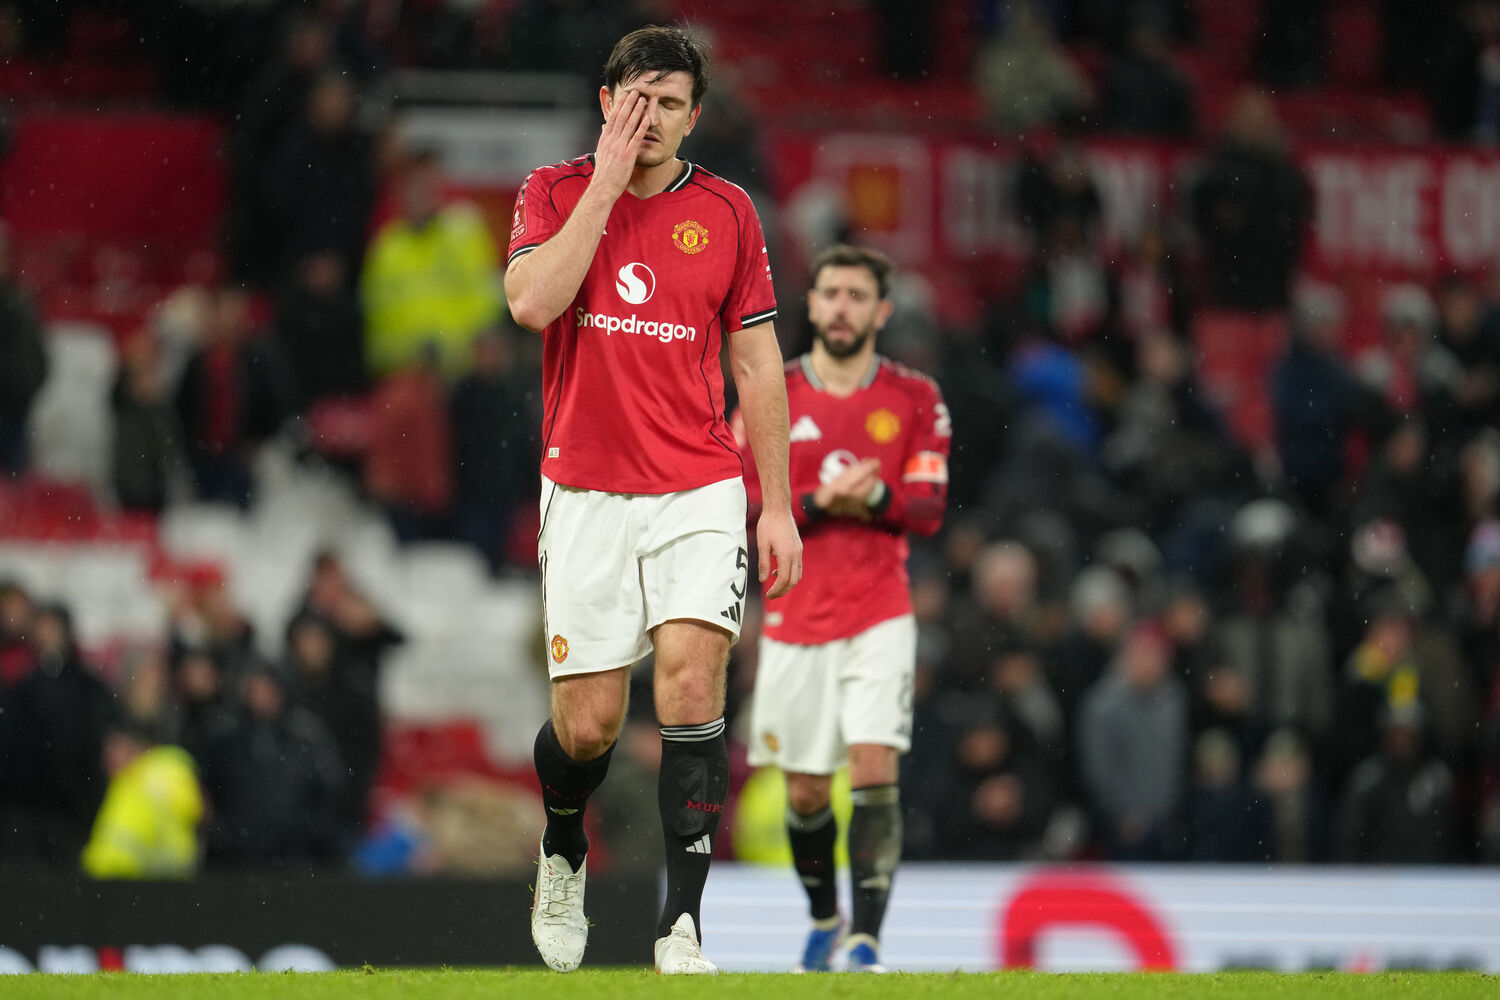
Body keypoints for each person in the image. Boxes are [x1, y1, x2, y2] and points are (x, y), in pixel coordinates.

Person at [503, 26, 802, 975]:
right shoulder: (552, 191)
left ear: (695, 116)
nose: (653, 119)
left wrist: (776, 504)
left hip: (698, 486)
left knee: (690, 685)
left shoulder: (729, 211)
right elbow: (530, 304)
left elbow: (757, 362)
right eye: (638, 101)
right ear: (607, 102)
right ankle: (563, 841)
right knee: (589, 726)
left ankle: (682, 924)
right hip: (585, 484)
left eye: (671, 104)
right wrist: (606, 180)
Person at [734, 245, 951, 972]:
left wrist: (880, 497)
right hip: (793, 614)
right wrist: (822, 503)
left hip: (879, 611)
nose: (841, 307)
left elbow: (928, 507)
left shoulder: (916, 398)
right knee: (803, 791)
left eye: (857, 296)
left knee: (872, 765)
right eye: (830, 293)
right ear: (812, 302)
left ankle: (867, 941)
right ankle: (827, 919)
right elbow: (739, 499)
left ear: (881, 312)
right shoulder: (771, 391)